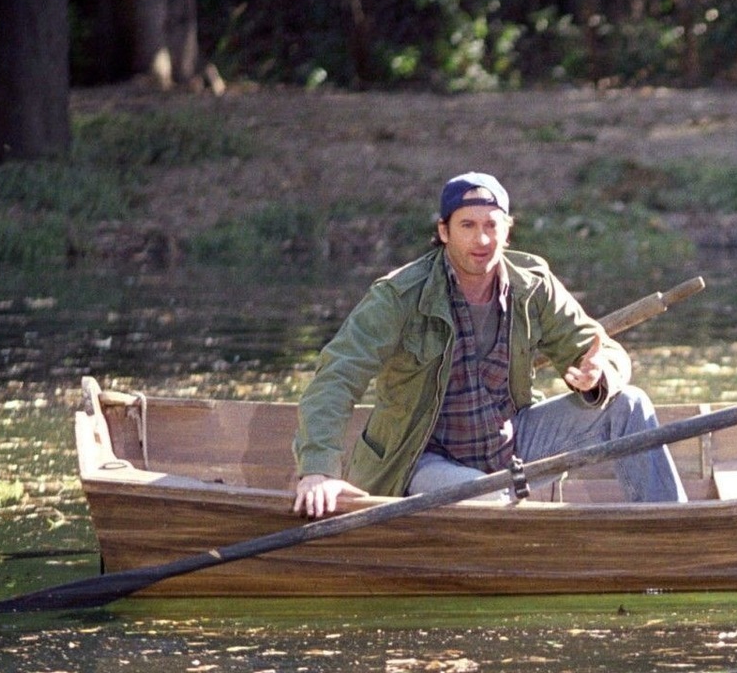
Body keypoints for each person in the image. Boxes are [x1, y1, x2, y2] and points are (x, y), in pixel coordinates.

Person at [292, 171, 686, 518]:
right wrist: (317, 471)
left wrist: (598, 374)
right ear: (444, 231)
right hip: (421, 457)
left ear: (507, 230)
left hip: (508, 441)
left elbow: (598, 347)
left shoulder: (533, 284)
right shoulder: (398, 296)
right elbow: (336, 377)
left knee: (630, 403)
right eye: (467, 225)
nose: (481, 239)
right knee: (492, 499)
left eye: (491, 225)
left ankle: (673, 528)